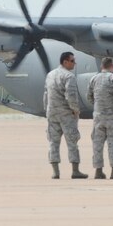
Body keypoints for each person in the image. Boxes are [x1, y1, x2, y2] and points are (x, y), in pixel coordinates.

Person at [43, 51, 88, 179]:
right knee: (72, 141)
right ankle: (75, 171)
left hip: (52, 113)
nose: (75, 63)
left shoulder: (50, 75)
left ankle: (55, 172)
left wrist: (47, 109)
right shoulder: (69, 76)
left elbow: (46, 95)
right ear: (65, 62)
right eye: (72, 61)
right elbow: (71, 95)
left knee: (53, 142)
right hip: (66, 113)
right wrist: (75, 109)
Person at [87, 57, 113, 179]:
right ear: (112, 66)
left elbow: (89, 96)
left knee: (97, 144)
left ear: (101, 66)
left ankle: (98, 171)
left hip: (98, 117)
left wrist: (97, 107)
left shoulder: (94, 79)